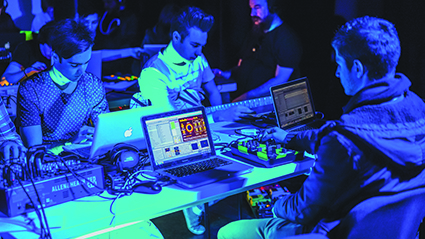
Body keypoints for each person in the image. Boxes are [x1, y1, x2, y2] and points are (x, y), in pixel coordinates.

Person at [217, 16, 425, 239]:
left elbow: (303, 209)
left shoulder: (344, 139)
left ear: (356, 68)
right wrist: (287, 138)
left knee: (229, 232)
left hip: (334, 230)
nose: (336, 73)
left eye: (338, 64)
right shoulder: (418, 109)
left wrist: (277, 204)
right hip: (393, 232)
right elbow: (342, 132)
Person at [137, 6, 252, 235]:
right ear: (176, 37)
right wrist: (217, 116)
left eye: (202, 46)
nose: (200, 52)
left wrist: (222, 114)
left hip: (204, 130)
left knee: (244, 170)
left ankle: (199, 204)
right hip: (175, 144)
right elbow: (171, 124)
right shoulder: (153, 73)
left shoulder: (197, 57)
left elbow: (213, 92)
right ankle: (194, 206)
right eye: (195, 45)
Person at [16, 19, 109, 148]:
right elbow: (35, 150)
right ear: (55, 57)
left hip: (85, 156)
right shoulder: (32, 89)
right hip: (49, 163)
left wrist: (100, 135)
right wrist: (69, 143)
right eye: (74, 65)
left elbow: (106, 131)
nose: (82, 71)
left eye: (86, 62)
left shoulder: (92, 84)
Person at [215, 0, 302, 102]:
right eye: (251, 8)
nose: (252, 14)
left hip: (264, 104)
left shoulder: (286, 40)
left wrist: (248, 96)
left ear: (271, 6)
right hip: (242, 99)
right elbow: (243, 66)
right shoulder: (255, 33)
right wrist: (224, 74)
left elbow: (280, 80)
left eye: (257, 7)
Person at [78, 0, 143, 76]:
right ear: (78, 20)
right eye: (86, 22)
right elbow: (94, 56)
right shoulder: (75, 38)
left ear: (98, 20)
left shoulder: (103, 36)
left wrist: (130, 52)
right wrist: (129, 52)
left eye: (94, 22)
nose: (90, 27)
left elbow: (101, 55)